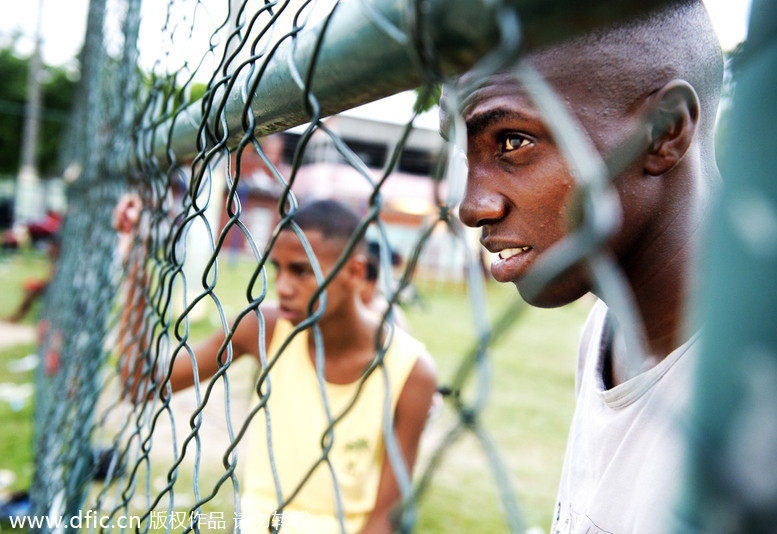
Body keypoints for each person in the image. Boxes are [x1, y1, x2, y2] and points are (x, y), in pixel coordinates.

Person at [447, 1, 723, 532]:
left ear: (664, 132)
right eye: (465, 157)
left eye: (512, 141)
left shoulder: (764, 395)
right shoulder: (605, 331)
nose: (472, 206)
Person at [113, 196, 437, 534]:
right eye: (277, 269)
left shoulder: (411, 371)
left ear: (354, 272)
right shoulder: (263, 329)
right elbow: (139, 385)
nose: (281, 287)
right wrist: (135, 262)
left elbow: (385, 515)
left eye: (300, 270)